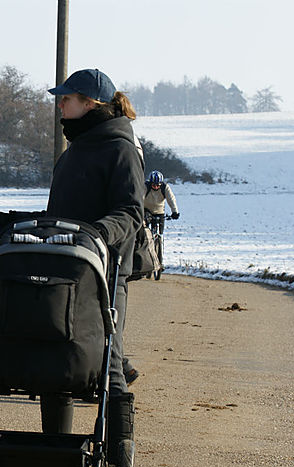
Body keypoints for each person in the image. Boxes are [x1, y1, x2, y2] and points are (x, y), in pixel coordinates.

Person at [41, 68, 143, 441]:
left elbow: (131, 211)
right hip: (67, 264)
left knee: (109, 359)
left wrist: (97, 235)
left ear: (90, 103)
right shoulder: (77, 148)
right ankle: (49, 453)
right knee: (56, 355)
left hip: (105, 268)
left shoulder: (120, 148)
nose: (60, 105)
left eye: (66, 99)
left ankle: (118, 456)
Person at [144, 170, 179, 237]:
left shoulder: (165, 187)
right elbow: (140, 197)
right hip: (146, 210)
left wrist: (175, 212)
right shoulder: (145, 187)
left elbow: (171, 199)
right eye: (153, 185)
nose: (156, 187)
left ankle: (159, 243)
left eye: (158, 185)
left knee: (160, 233)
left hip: (159, 211)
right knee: (144, 230)